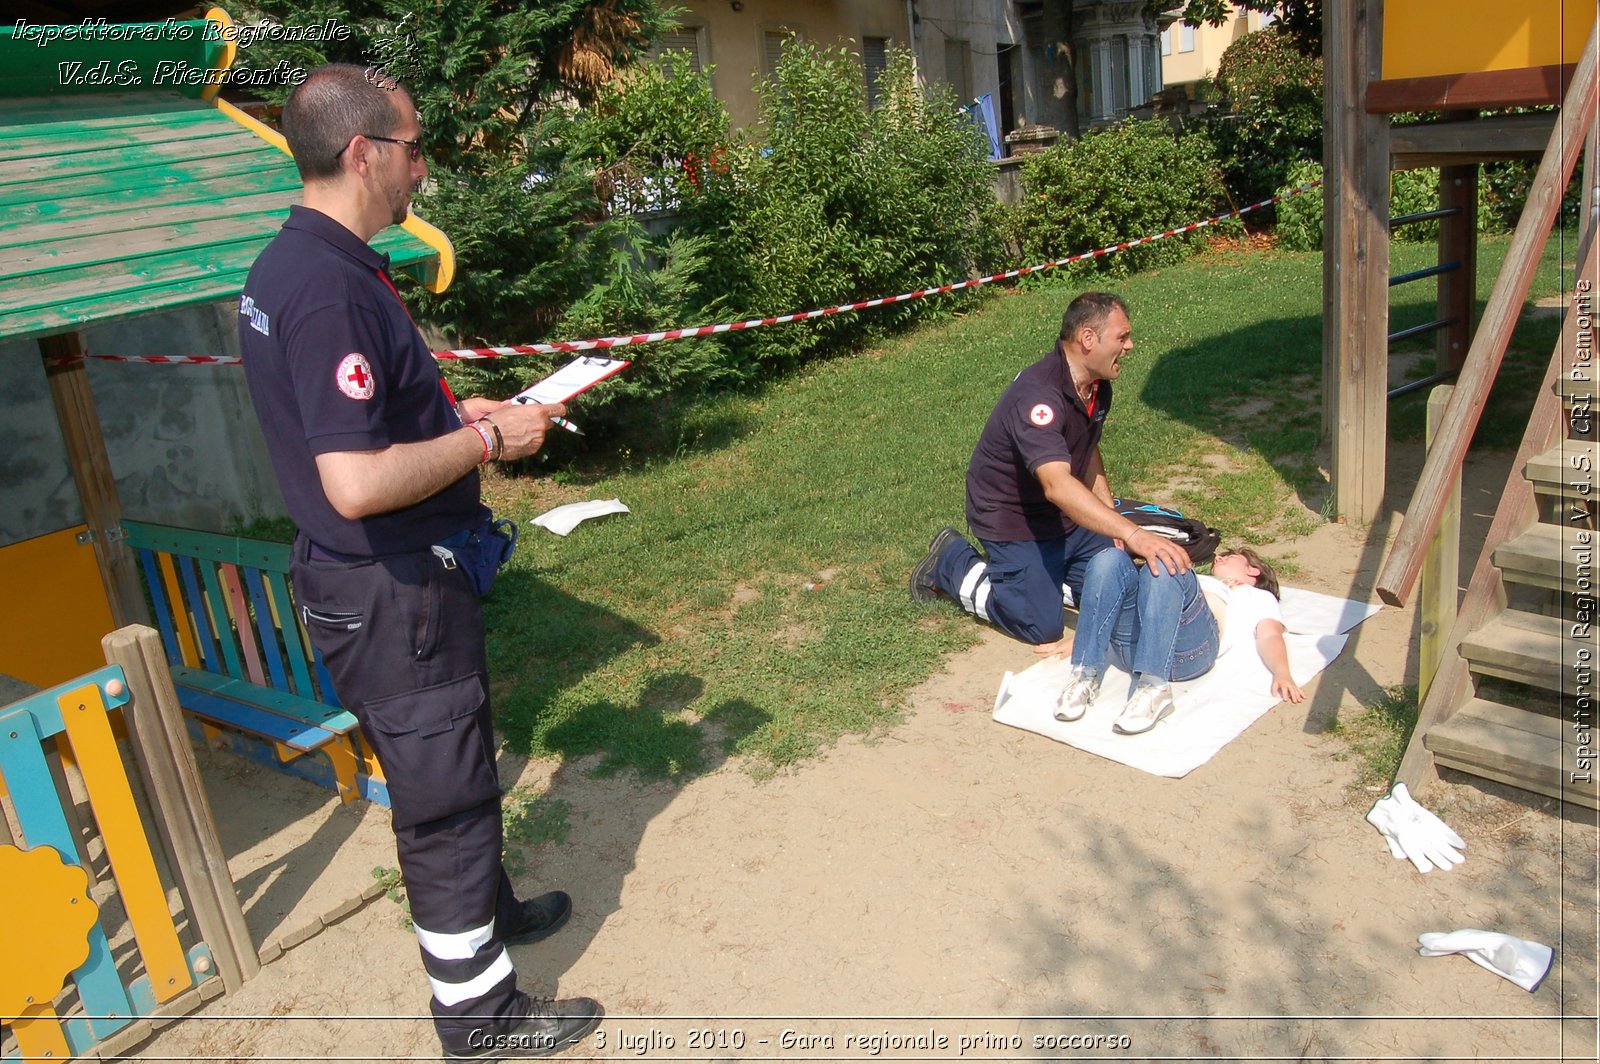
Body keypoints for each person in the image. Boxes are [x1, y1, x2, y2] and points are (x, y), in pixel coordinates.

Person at [237, 64, 601, 1061]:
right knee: (442, 807)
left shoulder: (307, 265)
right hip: (390, 587)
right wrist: (489, 446)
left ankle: (487, 920)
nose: (422, 166)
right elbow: (353, 479)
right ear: (363, 153)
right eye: (412, 146)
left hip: (399, 583)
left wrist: (460, 413)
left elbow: (364, 417)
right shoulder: (323, 289)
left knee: (455, 765)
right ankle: (479, 1017)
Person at [909, 291, 1192, 646]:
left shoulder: (1096, 387)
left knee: (1118, 589)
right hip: (1012, 518)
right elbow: (1057, 484)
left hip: (1062, 515)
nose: (1130, 345)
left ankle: (1042, 577)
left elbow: (1087, 451)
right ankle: (951, 561)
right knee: (1041, 627)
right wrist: (1136, 535)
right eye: (1122, 337)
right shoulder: (1039, 395)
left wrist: (1112, 519)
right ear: (1088, 338)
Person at [1049, 546, 1306, 734]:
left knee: (1165, 563)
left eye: (1229, 556)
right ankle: (1085, 674)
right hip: (1134, 648)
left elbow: (1270, 634)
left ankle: (1153, 687)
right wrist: (1089, 637)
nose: (1219, 557)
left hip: (1190, 652)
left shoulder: (1254, 595)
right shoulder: (1200, 579)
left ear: (1254, 570)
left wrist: (1282, 672)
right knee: (1109, 559)